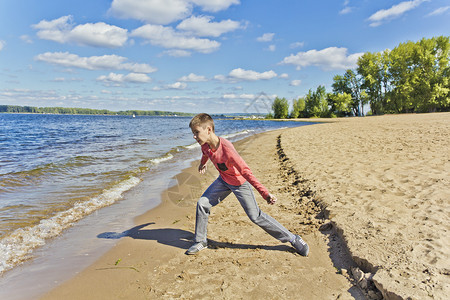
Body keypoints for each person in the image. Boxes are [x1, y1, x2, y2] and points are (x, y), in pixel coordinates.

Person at [186, 113, 309, 256]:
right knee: (202, 203)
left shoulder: (227, 149)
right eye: (193, 133)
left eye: (196, 132)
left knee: (255, 216)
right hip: (223, 180)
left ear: (208, 130)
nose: (194, 136)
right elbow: (206, 153)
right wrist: (202, 164)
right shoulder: (205, 146)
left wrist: (264, 193)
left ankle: (293, 239)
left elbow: (246, 171)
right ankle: (201, 241)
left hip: (240, 183)